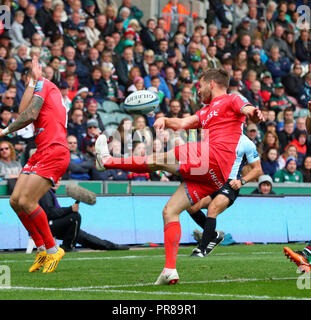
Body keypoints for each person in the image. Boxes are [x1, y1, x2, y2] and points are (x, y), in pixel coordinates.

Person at [95, 68, 264, 285]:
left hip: (212, 157)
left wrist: (254, 114)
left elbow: (248, 109)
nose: (198, 90)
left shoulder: (232, 98)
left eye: (200, 85)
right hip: (214, 175)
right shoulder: (207, 111)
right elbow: (184, 123)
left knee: (158, 159)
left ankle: (108, 161)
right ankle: (169, 270)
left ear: (212, 83)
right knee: (170, 211)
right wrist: (165, 119)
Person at [0, 56, 69, 273]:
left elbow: (29, 115)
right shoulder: (37, 86)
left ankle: (53, 249)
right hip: (41, 150)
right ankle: (41, 249)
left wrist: (4, 131)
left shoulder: (47, 85)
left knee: (28, 201)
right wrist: (31, 82)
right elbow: (23, 110)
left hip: (55, 150)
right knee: (15, 201)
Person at [188, 133, 262, 258]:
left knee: (212, 210)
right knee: (191, 206)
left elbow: (258, 169)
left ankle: (202, 249)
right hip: (213, 181)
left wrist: (241, 181)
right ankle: (212, 235)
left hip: (230, 184)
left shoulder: (246, 142)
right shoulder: (217, 136)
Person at [39, 181, 130, 252]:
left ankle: (113, 246)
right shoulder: (45, 193)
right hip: (46, 227)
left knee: (87, 238)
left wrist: (70, 210)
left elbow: (55, 212)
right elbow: (49, 213)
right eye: (55, 180)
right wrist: (70, 209)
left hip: (54, 225)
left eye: (59, 180)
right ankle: (67, 247)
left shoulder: (50, 192)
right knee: (74, 217)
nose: (57, 182)